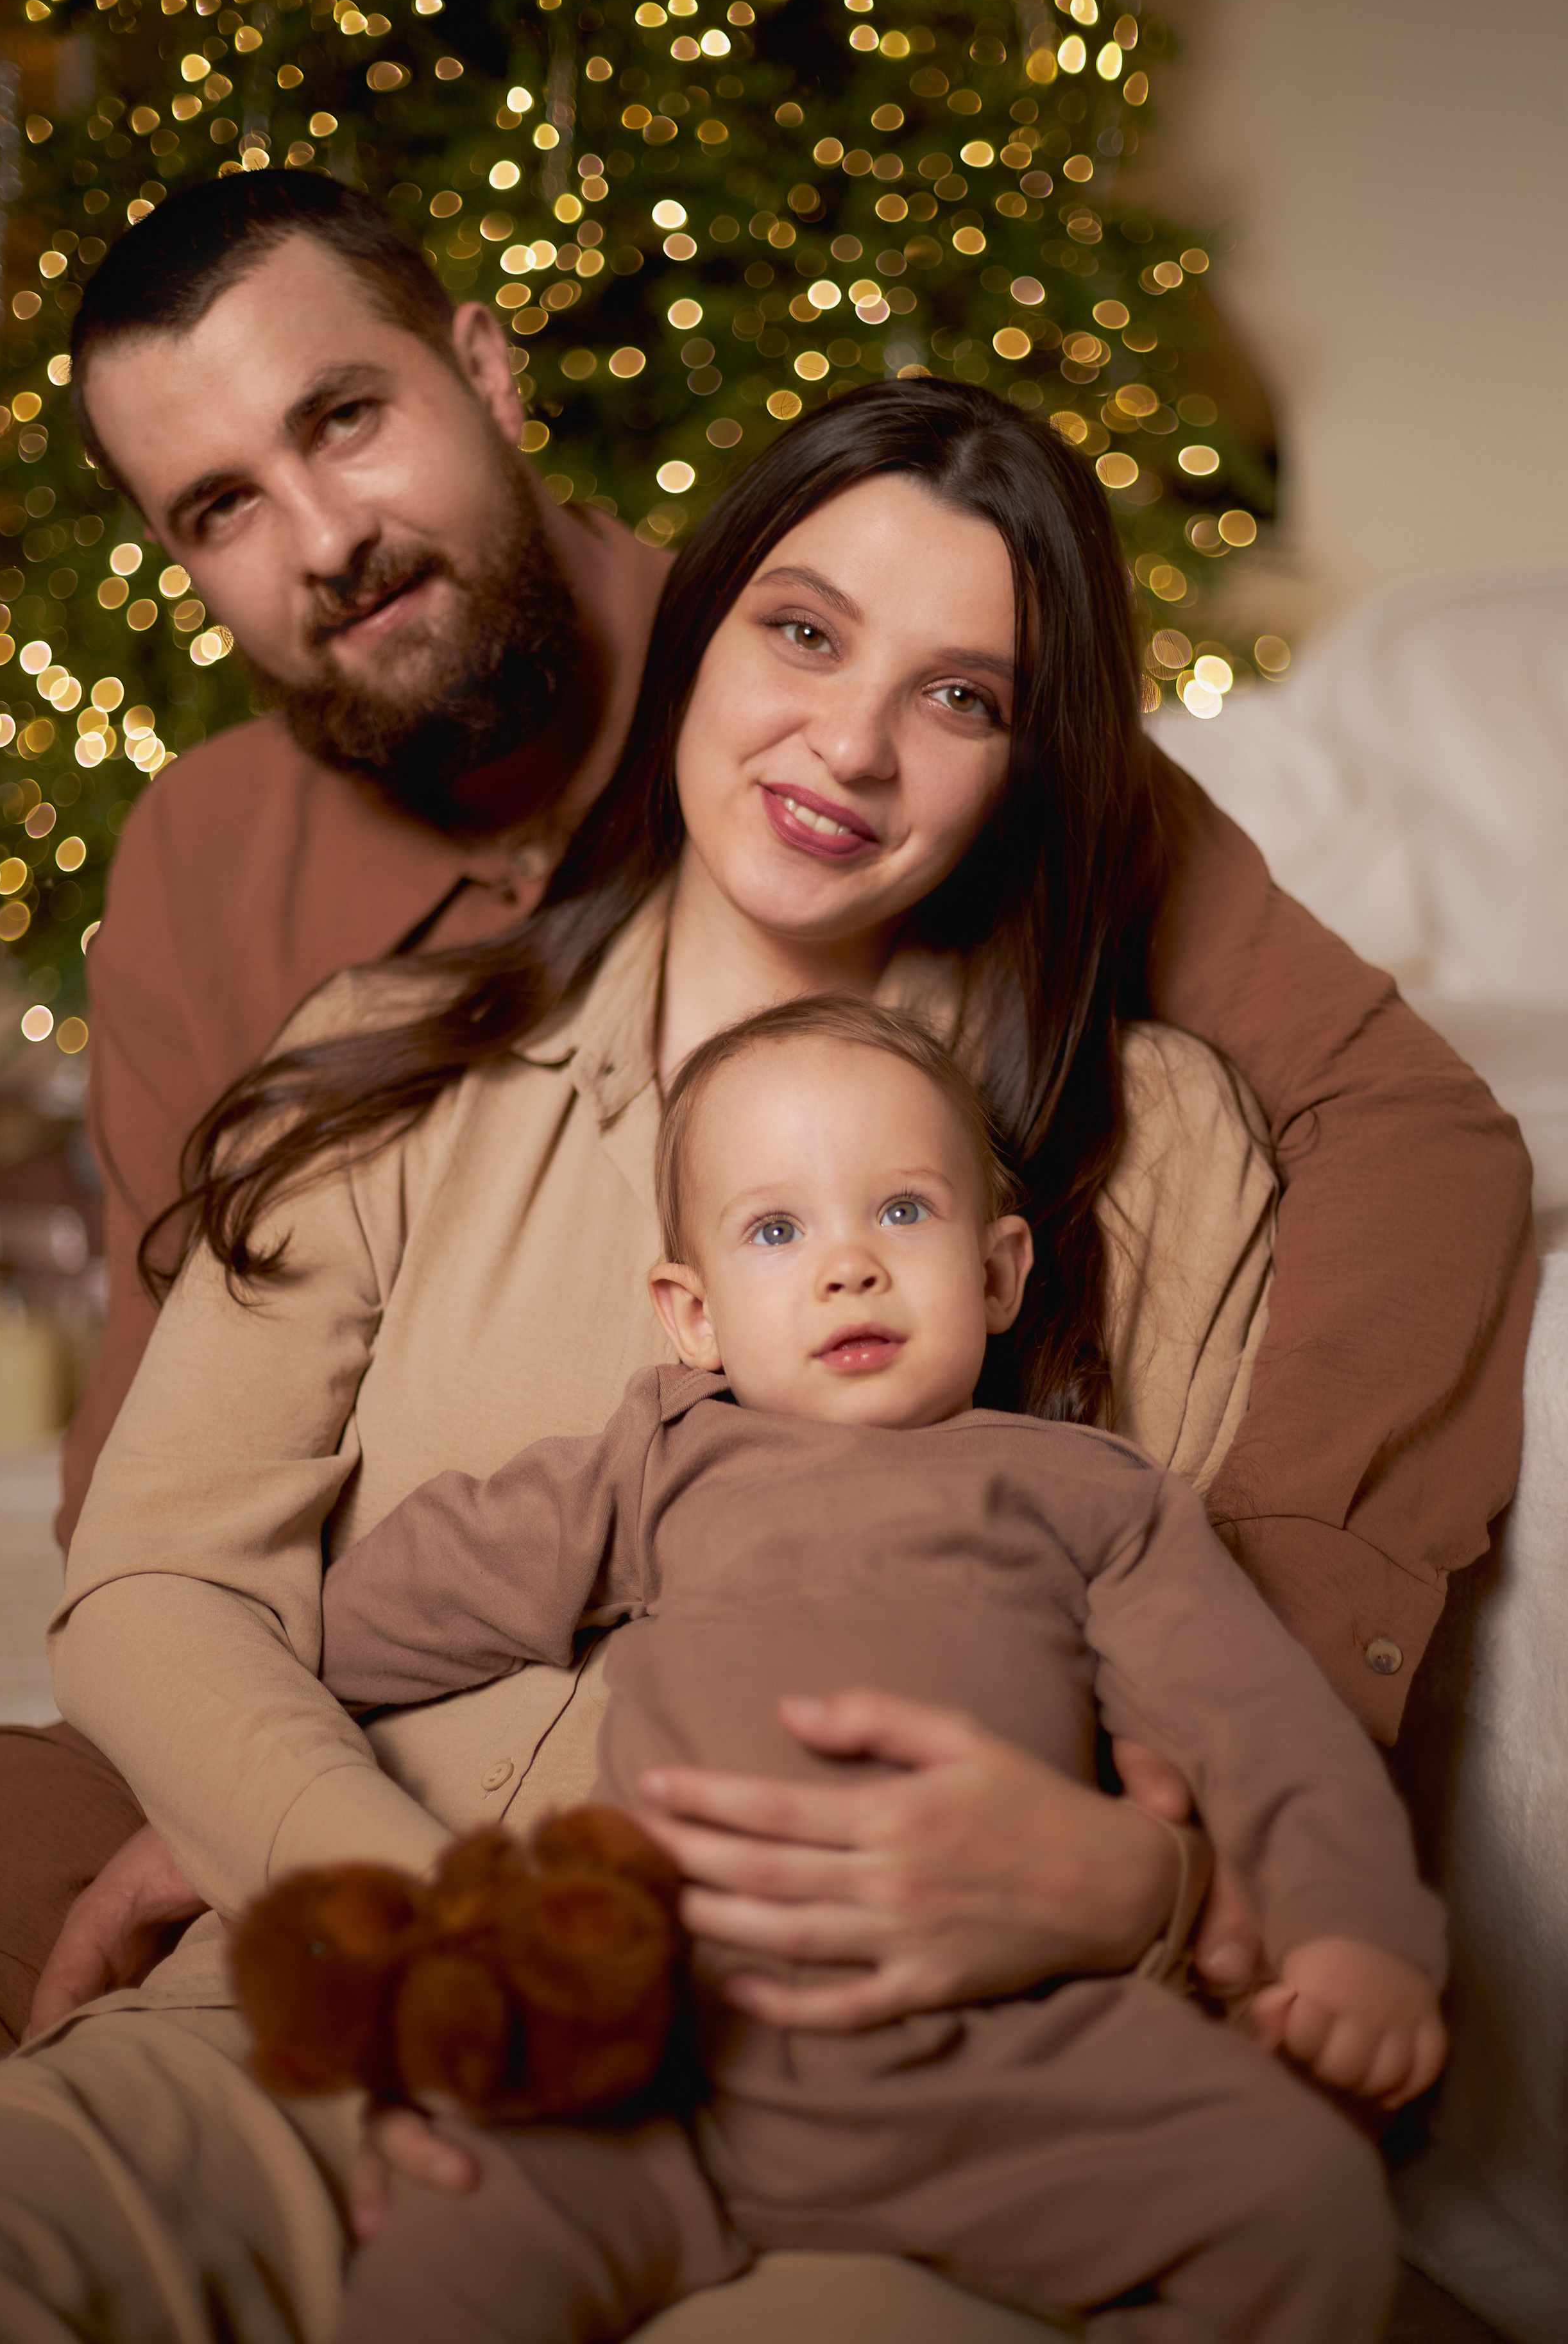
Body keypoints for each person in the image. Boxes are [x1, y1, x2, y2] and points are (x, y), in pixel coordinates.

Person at [0, 173, 1530, 2108]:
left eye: (344, 419)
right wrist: (257, 1794)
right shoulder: (213, 870)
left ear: (483, 371)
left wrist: (1250, 1740)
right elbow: (162, 1499)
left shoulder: (856, 626)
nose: (326, 538)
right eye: (220, 509)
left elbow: (1401, 1123)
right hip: (366, 1706)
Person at [321, 993, 1445, 2344]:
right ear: (691, 1314)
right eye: (776, 1231)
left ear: (999, 1273)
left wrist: (1356, 1938)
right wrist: (269, 1672)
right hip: (664, 2051)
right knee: (444, 2234)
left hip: (995, 2054)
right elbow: (433, 1575)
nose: (847, 1267)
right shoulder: (664, 1459)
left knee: (1309, 2202)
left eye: (901, 1212)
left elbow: (1260, 1728)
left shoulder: (1091, 1496)